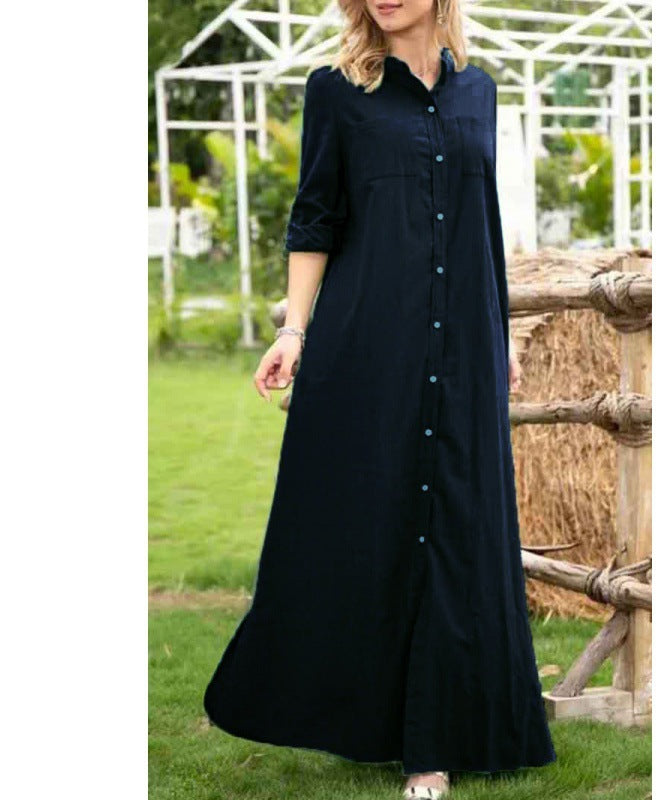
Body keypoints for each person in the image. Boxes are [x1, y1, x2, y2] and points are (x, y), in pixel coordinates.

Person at [203, 1, 557, 797]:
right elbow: (316, 216)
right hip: (371, 345)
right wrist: (294, 331)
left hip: (462, 348)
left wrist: (498, 334)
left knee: (458, 533)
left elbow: (481, 223)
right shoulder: (336, 90)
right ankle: (385, 727)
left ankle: (441, 738)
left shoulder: (479, 92)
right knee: (375, 525)